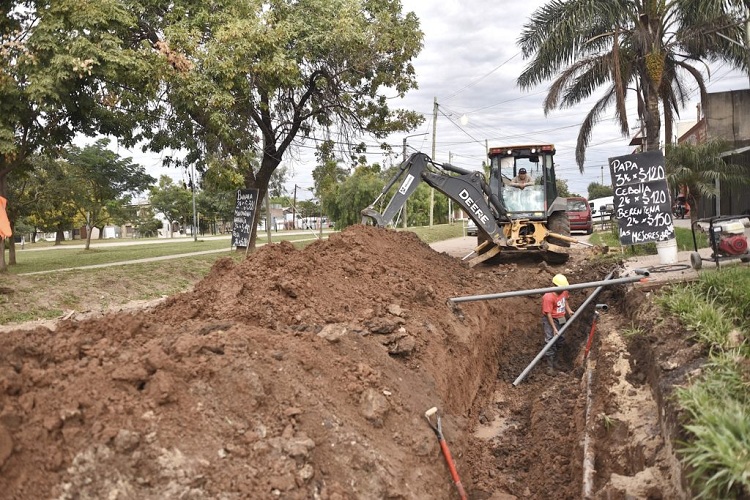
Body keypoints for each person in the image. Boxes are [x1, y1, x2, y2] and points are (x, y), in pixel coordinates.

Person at [542, 274, 575, 373]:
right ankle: (550, 366)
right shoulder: (548, 297)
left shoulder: (564, 291)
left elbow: (565, 301)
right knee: (550, 340)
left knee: (561, 339)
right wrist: (554, 328)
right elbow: (548, 314)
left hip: (561, 318)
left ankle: (556, 360)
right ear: (555, 286)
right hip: (551, 320)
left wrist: (569, 311)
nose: (563, 290)